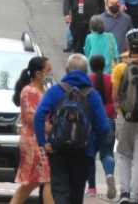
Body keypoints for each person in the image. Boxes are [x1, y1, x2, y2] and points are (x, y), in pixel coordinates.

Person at [34, 54, 110, 204]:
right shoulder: (92, 95)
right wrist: (93, 148)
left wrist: (43, 143)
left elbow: (38, 115)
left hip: (57, 150)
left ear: (67, 70)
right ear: (86, 71)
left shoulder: (56, 91)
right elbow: (104, 127)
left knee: (60, 191)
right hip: (83, 152)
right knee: (76, 193)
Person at [111, 28, 138, 204]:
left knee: (123, 154)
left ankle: (125, 193)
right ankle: (135, 197)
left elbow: (115, 96)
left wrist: (120, 110)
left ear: (128, 45)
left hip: (125, 117)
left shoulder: (120, 68)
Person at [11, 57, 55, 204]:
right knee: (46, 179)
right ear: (38, 73)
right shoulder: (29, 91)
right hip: (33, 142)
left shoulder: (43, 90)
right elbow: (32, 118)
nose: (50, 73)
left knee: (32, 183)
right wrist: (50, 127)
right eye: (48, 70)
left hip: (40, 141)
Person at [86, 54, 117, 199]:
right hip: (108, 118)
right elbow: (115, 98)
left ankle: (92, 188)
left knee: (90, 155)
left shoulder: (87, 80)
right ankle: (110, 175)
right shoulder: (110, 79)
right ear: (104, 65)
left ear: (90, 66)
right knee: (107, 153)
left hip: (91, 121)